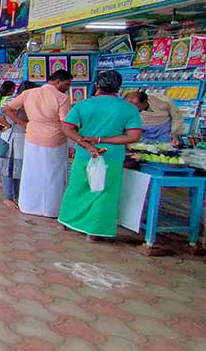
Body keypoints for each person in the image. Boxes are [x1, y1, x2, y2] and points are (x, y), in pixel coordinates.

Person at [59, 71, 143, 242]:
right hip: (111, 157)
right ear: (119, 88)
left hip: (85, 154)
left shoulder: (83, 105)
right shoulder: (128, 109)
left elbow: (67, 128)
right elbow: (133, 136)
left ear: (97, 85)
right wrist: (102, 140)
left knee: (78, 187)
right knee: (104, 193)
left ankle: (68, 222)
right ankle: (94, 232)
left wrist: (86, 143)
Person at [2, 69, 73, 218]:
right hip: (55, 138)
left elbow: (7, 109)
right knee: (53, 174)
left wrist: (23, 123)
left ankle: (29, 205)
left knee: (32, 172)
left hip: (32, 136)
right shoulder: (62, 98)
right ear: (58, 82)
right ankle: (50, 209)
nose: (67, 87)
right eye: (66, 84)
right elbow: (65, 121)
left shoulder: (29, 93)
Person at [0, 81, 39, 210]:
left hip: (17, 137)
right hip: (13, 138)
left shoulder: (12, 99)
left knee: (15, 168)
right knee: (10, 168)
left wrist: (7, 125)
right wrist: (12, 124)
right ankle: (9, 196)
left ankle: (14, 196)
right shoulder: (17, 101)